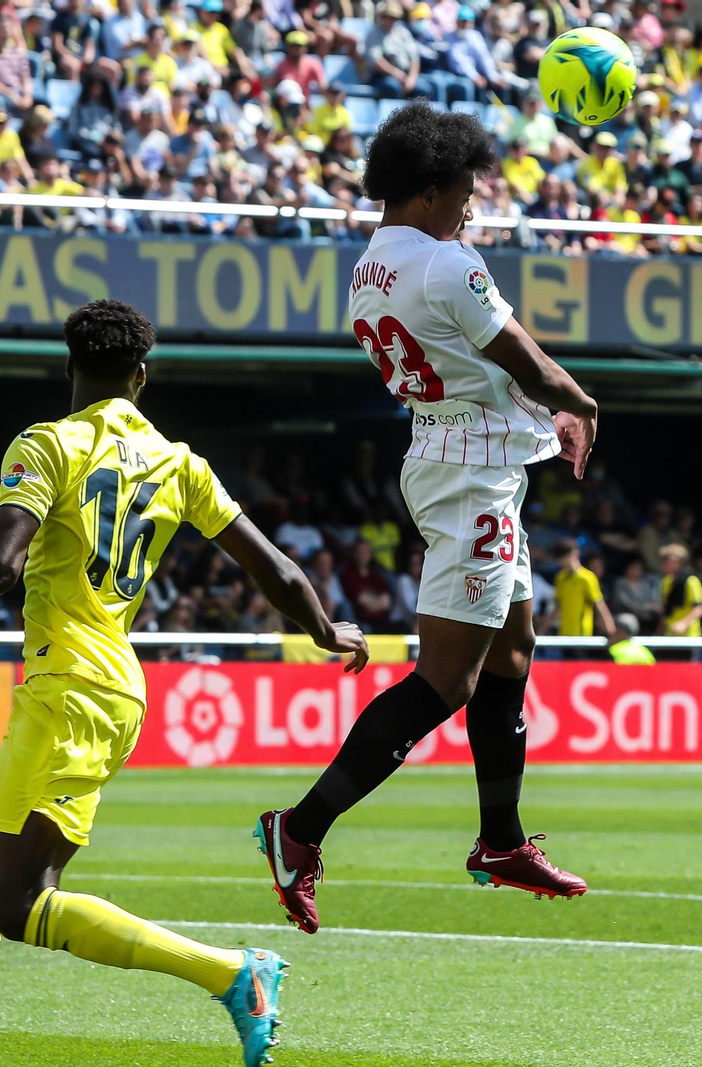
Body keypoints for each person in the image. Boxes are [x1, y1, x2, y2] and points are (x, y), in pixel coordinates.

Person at [0, 299, 370, 1067]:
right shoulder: (178, 462)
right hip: (93, 684)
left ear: (70, 369)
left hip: (72, 690)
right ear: (141, 376)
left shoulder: (47, 443)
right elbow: (277, 569)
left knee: (20, 904)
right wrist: (326, 629)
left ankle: (231, 971)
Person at [256, 103, 596, 935]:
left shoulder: (370, 267)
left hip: (460, 457)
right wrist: (583, 403)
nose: (471, 207)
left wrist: (534, 411)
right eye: (465, 191)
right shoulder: (448, 265)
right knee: (444, 680)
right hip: (471, 476)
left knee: (513, 649)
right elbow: (528, 360)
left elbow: (474, 360)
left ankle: (502, 837)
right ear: (431, 191)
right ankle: (298, 830)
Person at [553, 537, 614, 640]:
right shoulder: (560, 578)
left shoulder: (587, 578)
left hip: (582, 636)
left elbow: (599, 604)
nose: (562, 561)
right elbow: (558, 607)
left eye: (564, 557)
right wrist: (542, 630)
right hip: (563, 634)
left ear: (574, 554)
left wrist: (610, 631)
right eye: (560, 558)